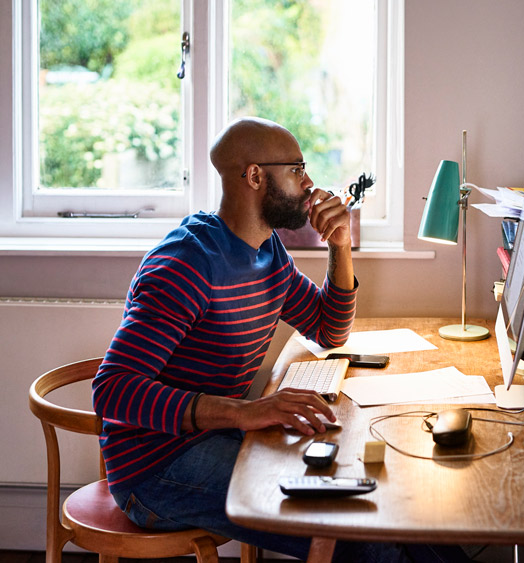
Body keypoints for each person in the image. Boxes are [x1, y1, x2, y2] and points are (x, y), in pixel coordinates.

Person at [92, 118, 470, 562]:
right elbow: (111, 391)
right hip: (156, 468)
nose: (310, 183)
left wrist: (341, 245)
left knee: (397, 506)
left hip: (220, 437)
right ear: (254, 176)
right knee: (365, 537)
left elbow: (329, 330)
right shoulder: (186, 265)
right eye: (297, 169)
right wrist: (245, 411)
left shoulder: (268, 252)